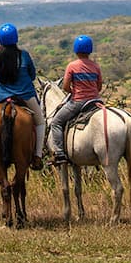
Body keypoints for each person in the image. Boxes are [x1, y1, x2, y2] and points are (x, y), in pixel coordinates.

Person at [0, 23, 46, 170]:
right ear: (16, 39)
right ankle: (38, 155)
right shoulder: (24, 55)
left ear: (0, 40)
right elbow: (32, 76)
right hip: (25, 95)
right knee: (40, 122)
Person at [48, 35, 102, 166]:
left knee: (56, 122)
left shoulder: (72, 66)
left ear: (76, 50)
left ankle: (59, 153)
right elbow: (99, 87)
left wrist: (75, 92)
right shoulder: (96, 66)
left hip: (78, 102)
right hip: (95, 102)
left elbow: (66, 87)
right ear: (90, 50)